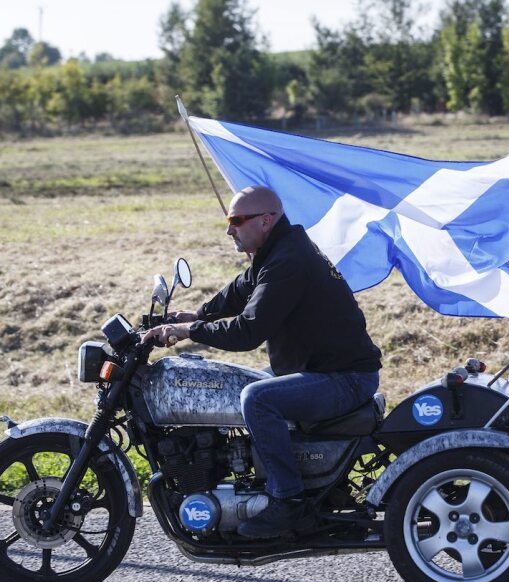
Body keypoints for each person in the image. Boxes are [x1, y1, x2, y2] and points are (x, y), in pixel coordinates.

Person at [141, 185, 382, 538]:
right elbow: (240, 291)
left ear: (266, 221)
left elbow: (248, 331)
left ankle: (289, 502)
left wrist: (190, 330)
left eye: (237, 220)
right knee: (238, 382)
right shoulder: (278, 251)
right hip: (320, 369)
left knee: (257, 397)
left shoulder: (288, 260)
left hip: (344, 379)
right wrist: (197, 315)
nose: (229, 229)